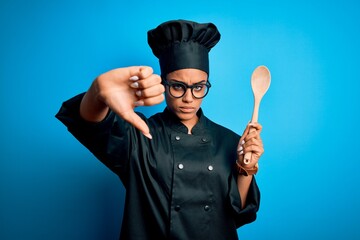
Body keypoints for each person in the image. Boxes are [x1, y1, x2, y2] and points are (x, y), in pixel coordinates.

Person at [56, 19, 264, 240]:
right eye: (177, 86)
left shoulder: (230, 141)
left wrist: (245, 168)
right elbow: (91, 123)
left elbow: (237, 214)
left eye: (199, 87)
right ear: (164, 84)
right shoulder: (141, 135)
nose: (188, 98)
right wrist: (98, 92)